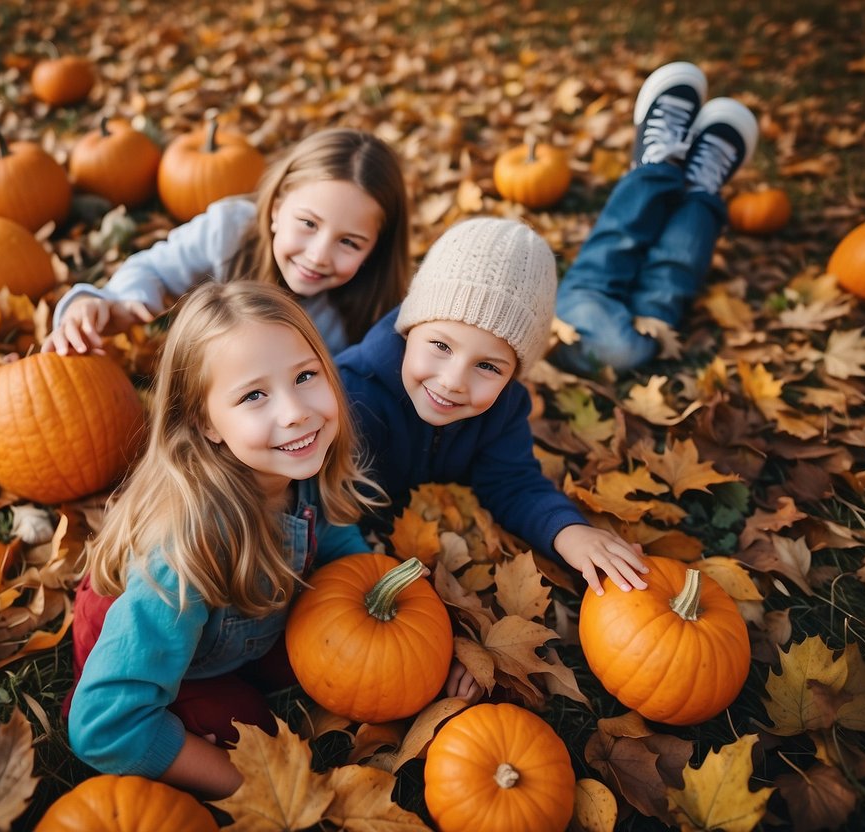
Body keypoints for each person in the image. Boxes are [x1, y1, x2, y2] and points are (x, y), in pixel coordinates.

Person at [68, 281, 463, 799]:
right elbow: (101, 726)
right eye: (254, 395)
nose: (296, 411)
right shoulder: (185, 554)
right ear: (205, 422)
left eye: (305, 376)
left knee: (309, 662)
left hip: (242, 626)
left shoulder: (301, 473)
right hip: (149, 641)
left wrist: (425, 637)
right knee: (244, 727)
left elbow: (341, 552)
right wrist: (253, 787)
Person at [337, 217, 648, 597]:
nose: (453, 380)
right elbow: (319, 493)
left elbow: (512, 483)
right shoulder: (352, 392)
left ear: (513, 373)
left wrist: (569, 532)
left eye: (487, 366)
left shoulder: (504, 409)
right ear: (409, 329)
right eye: (441, 346)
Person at [43, 127, 411, 357]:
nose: (318, 255)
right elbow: (154, 267)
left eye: (349, 242)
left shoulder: (373, 310)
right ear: (276, 210)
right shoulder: (230, 230)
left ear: (375, 248)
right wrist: (114, 300)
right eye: (308, 224)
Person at [553, 61, 759, 374]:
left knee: (612, 253)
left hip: (586, 303)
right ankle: (697, 194)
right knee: (656, 300)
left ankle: (656, 170)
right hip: (638, 329)